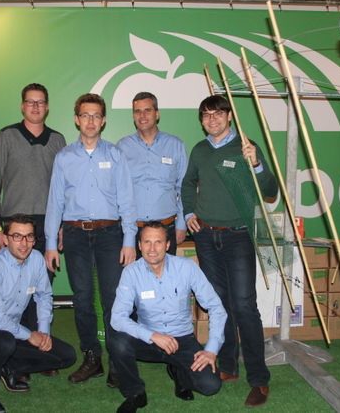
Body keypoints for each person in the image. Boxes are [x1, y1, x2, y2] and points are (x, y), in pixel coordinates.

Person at [181, 95, 278, 408]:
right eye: (206, 115)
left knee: (244, 305)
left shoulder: (246, 147)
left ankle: (259, 378)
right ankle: (228, 366)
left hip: (238, 236)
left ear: (229, 116)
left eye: (218, 113)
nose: (212, 119)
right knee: (218, 304)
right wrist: (189, 212)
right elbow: (187, 184)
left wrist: (257, 164)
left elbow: (271, 191)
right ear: (201, 120)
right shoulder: (200, 150)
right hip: (206, 237)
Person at [44, 93, 137, 386]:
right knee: (82, 299)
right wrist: (50, 244)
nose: (91, 121)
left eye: (96, 115)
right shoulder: (64, 158)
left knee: (113, 300)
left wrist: (130, 239)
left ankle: (118, 362)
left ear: (104, 120)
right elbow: (55, 203)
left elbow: (127, 200)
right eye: (85, 115)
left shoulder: (116, 155)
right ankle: (92, 358)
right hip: (74, 235)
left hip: (111, 235)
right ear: (77, 119)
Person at [0, 214, 76, 413]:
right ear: (6, 239)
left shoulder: (37, 259)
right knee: (4, 342)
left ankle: (9, 367)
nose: (24, 244)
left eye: (29, 237)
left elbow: (44, 296)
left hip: (12, 330)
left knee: (67, 356)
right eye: (17, 236)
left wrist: (43, 332)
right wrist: (30, 335)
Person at [110, 222, 226, 412]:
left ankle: (178, 372)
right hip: (148, 338)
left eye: (158, 242)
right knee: (117, 341)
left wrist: (211, 349)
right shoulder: (131, 272)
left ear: (167, 245)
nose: (152, 249)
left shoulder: (187, 267)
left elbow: (216, 307)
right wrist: (152, 335)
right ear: (139, 245)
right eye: (147, 242)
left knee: (210, 385)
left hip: (182, 339)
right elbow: (117, 317)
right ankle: (135, 393)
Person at [0, 83, 66, 335]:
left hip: (47, 228)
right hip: (14, 228)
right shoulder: (6, 136)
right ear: (22, 106)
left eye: (40, 102)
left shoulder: (58, 140)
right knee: (12, 289)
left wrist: (61, 227)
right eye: (30, 102)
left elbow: (65, 188)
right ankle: (13, 340)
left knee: (41, 289)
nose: (35, 106)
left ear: (47, 107)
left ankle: (39, 338)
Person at [117, 92, 188, 256]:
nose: (142, 116)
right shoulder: (122, 147)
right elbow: (119, 191)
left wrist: (181, 224)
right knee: (133, 273)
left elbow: (184, 187)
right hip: (133, 230)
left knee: (167, 273)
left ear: (157, 114)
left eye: (147, 110)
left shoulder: (175, 145)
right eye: (137, 111)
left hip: (167, 228)